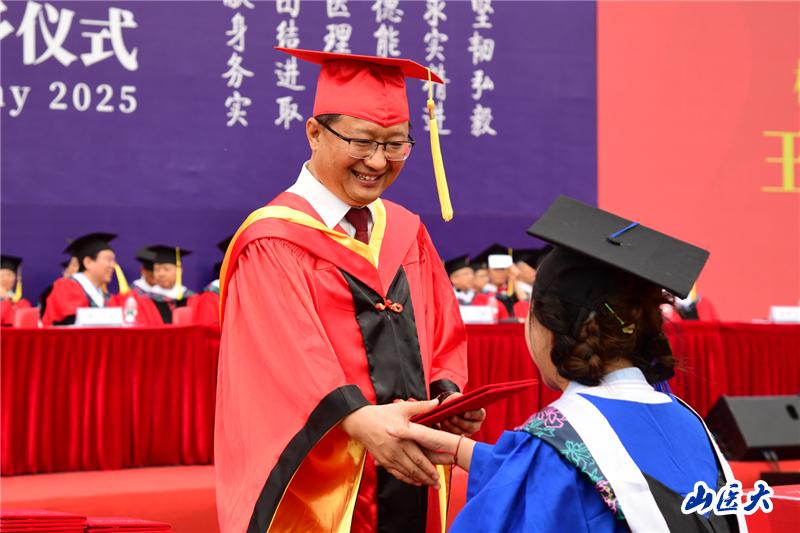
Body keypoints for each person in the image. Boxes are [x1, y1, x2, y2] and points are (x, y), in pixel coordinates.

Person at [215, 48, 483, 533]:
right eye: (362, 142)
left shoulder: (406, 232)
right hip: (323, 484)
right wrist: (359, 420)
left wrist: (446, 399)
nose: (378, 161)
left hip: (407, 468)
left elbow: (442, 330)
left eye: (396, 144)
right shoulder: (273, 240)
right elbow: (288, 357)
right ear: (315, 133)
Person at [387, 196, 744, 533]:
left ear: (547, 327)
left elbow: (544, 484)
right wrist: (457, 450)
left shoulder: (557, 437)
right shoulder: (689, 421)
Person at [42, 233, 118, 326]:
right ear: (88, 262)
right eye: (108, 260)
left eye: (114, 260)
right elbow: (72, 324)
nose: (113, 265)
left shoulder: (106, 297)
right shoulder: (66, 286)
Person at [146, 245, 194, 324]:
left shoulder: (191, 297)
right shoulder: (146, 299)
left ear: (179, 271)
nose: (161, 274)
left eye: (166, 269)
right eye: (157, 269)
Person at [0, 255, 32, 326]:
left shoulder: (22, 302)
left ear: (15, 279)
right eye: (2, 275)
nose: (5, 278)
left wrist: (7, 299)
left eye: (9, 275)